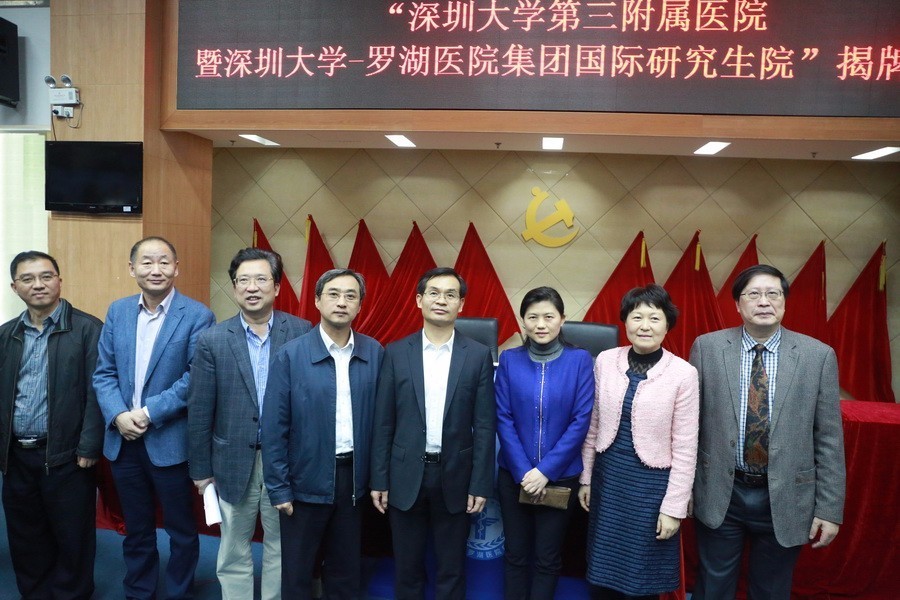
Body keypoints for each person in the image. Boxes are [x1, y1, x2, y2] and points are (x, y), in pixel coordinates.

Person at [689, 264, 845, 600]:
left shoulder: (817, 356)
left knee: (771, 591)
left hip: (786, 495)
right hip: (721, 490)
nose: (764, 301)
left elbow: (829, 439)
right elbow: (691, 425)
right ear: (738, 304)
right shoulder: (707, 348)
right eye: (754, 294)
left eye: (773, 293)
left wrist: (829, 510)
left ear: (784, 302)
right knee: (712, 587)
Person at [93, 236, 216, 600]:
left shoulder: (198, 315)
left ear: (176, 268)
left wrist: (147, 413)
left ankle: (179, 592)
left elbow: (194, 377)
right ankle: (139, 591)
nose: (155, 269)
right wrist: (118, 415)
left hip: (170, 442)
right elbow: (104, 372)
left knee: (181, 529)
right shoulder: (118, 311)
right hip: (123, 441)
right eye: (147, 262)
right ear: (132, 269)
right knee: (136, 527)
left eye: (164, 262)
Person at [188, 248, 311, 599]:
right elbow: (200, 409)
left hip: (285, 461)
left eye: (260, 279)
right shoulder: (213, 339)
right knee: (233, 547)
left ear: (277, 286)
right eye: (243, 280)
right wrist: (201, 470)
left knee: (281, 545)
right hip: (231, 461)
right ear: (234, 287)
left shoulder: (301, 332)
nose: (252, 287)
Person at [370, 267, 496, 600]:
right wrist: (379, 479)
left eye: (450, 295)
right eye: (434, 293)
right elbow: (384, 422)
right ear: (419, 300)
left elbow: (485, 425)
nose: (442, 300)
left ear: (461, 304)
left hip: (456, 476)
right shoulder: (396, 352)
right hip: (404, 474)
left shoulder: (478, 355)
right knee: (407, 567)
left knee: (452, 569)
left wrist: (480, 483)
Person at [261, 268, 383, 600]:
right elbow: (273, 428)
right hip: (304, 481)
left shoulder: (375, 353)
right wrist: (279, 488)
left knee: (346, 572)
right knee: (298, 574)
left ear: (360, 305)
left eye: (350, 296)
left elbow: (384, 423)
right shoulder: (291, 355)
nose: (341, 302)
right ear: (317, 301)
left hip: (353, 482)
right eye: (333, 294)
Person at [579, 284, 699, 600]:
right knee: (603, 570)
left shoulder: (683, 374)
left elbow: (686, 447)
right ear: (625, 321)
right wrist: (586, 478)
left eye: (654, 318)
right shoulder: (605, 360)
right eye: (637, 317)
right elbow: (593, 425)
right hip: (608, 480)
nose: (645, 326)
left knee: (641, 574)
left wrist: (674, 508)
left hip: (651, 488)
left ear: (667, 324)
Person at [0, 251, 103, 599]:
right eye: (27, 279)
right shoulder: (6, 335)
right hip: (16, 455)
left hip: (67, 456)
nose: (38, 284)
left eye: (46, 276)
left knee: (72, 536)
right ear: (14, 287)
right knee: (25, 534)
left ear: (60, 280)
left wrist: (89, 446)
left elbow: (97, 393)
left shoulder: (87, 329)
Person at [495, 286, 594, 600]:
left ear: (562, 319)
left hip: (560, 478)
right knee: (515, 554)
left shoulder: (580, 361)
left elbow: (581, 420)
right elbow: (503, 417)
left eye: (549, 317)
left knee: (547, 558)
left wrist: (545, 472)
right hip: (514, 477)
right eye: (532, 317)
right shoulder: (509, 360)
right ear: (523, 321)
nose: (541, 324)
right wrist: (525, 472)